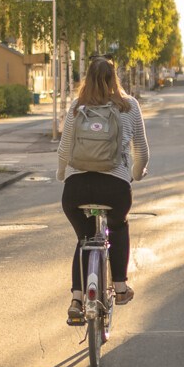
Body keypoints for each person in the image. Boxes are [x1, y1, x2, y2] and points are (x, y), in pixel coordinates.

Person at [57, 55, 150, 326]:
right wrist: (136, 174)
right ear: (114, 78)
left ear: (87, 78)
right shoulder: (129, 106)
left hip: (77, 189)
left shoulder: (76, 107)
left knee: (84, 238)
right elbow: (141, 151)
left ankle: (76, 300)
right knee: (118, 227)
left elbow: (64, 150)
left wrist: (62, 175)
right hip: (115, 188)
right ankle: (120, 288)